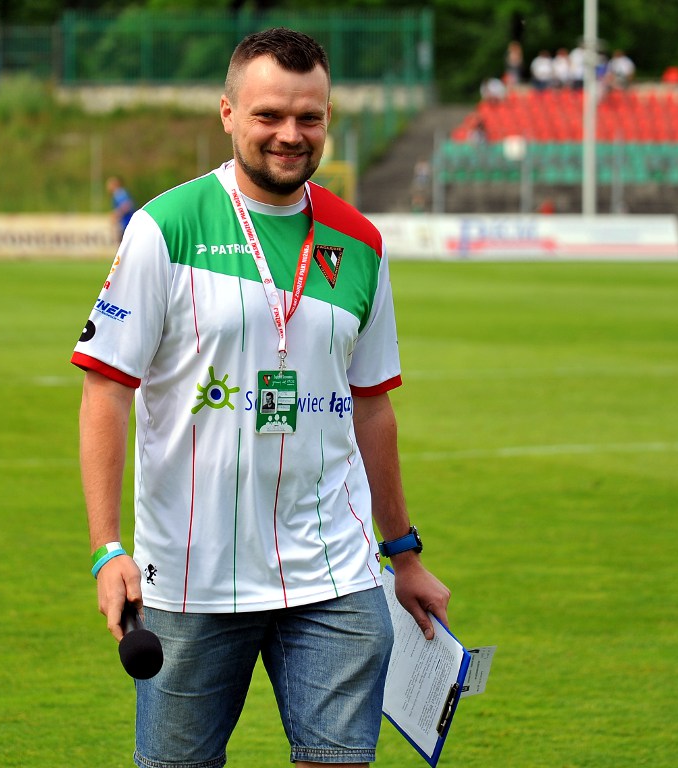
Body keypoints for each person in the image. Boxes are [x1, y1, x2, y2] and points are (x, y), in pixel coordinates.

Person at [73, 26, 451, 768]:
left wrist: (403, 553)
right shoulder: (166, 227)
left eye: (309, 117)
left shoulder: (360, 242)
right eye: (269, 115)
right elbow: (106, 388)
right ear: (227, 114)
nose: (290, 134)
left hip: (334, 572)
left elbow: (372, 404)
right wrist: (106, 548)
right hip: (192, 575)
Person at [106, 175, 135, 241]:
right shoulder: (120, 193)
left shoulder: (119, 193)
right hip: (126, 223)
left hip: (127, 223)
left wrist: (116, 214)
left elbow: (127, 205)